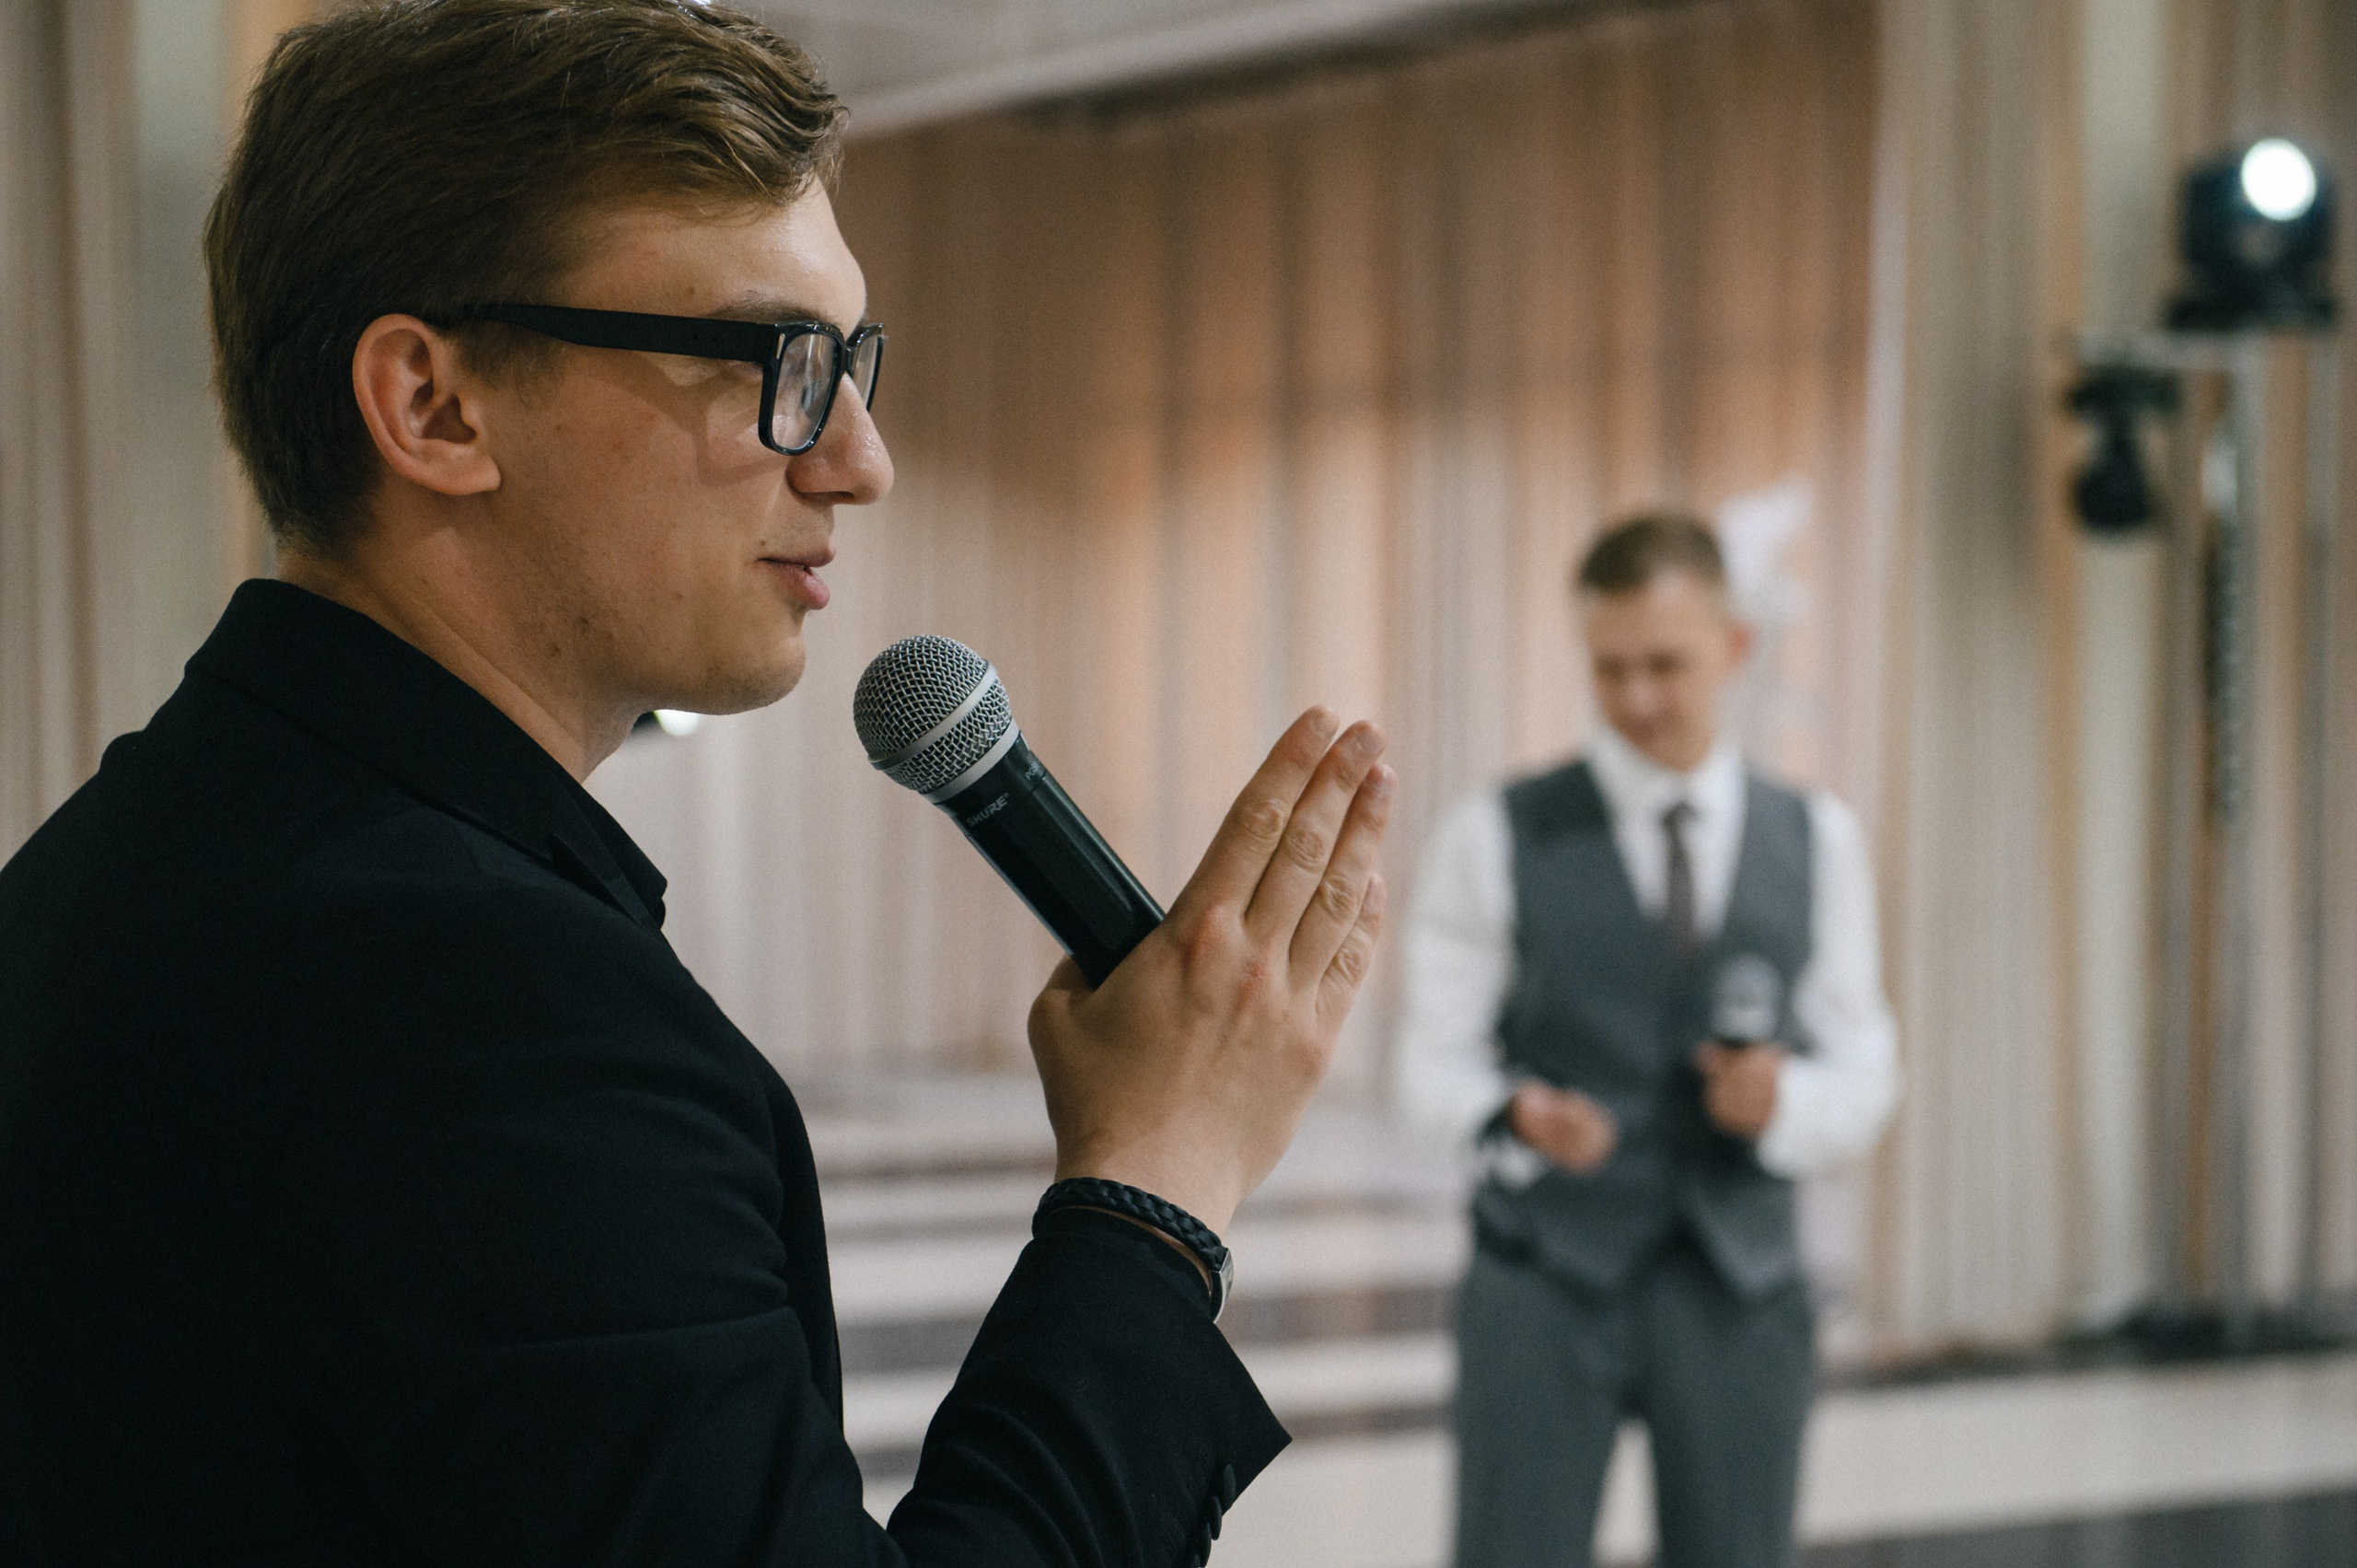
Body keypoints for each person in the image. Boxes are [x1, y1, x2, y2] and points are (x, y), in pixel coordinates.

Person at [0, 4, 1396, 1564]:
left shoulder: (117, 857)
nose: (859, 458)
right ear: (434, 405)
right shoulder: (485, 1009)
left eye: (854, 361)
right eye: (780, 361)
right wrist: (1157, 1184)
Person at [1394, 512, 1898, 1568]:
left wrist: (1788, 1104)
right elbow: (1428, 1058)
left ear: (1733, 648)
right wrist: (1510, 1111)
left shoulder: (1821, 840)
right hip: (1540, 1277)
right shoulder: (1494, 831)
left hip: (1740, 1286)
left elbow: (1865, 1068)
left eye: (1664, 664)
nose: (1634, 699)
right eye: (1608, 667)